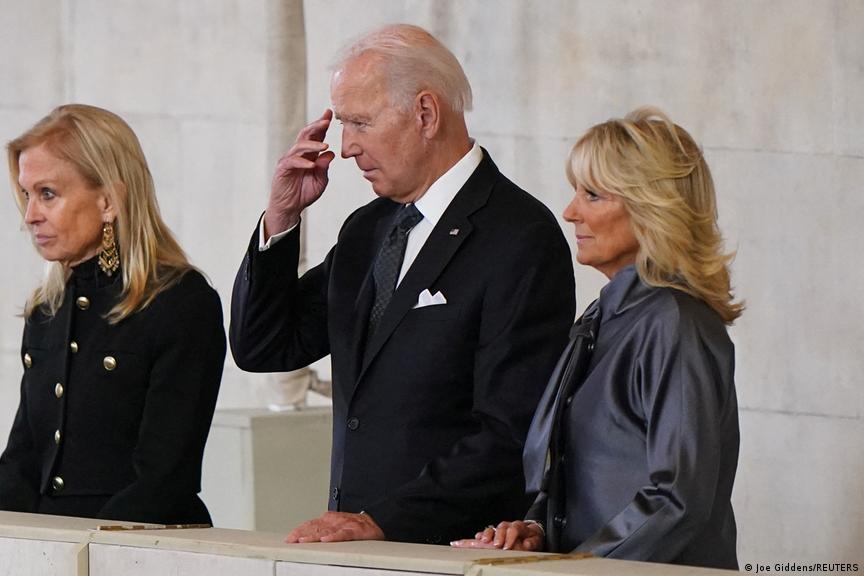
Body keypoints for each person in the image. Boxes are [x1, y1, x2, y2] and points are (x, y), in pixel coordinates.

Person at [230, 24, 575, 544]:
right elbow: (265, 345)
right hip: (356, 547)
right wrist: (281, 218)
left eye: (361, 123)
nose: (345, 148)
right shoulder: (368, 229)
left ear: (426, 114)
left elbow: (508, 432)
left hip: (453, 550)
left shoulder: (520, 235)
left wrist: (383, 521)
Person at [451, 107, 743, 569]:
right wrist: (537, 530)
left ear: (652, 207)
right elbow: (586, 480)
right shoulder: (603, 316)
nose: (569, 212)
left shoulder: (674, 322)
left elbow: (677, 499)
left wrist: (576, 564)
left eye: (592, 195)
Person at [0, 104, 225, 525]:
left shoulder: (179, 302)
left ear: (107, 201)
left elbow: (166, 476)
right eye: (27, 195)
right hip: (52, 547)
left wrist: (90, 551)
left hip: (142, 546)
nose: (30, 216)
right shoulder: (47, 308)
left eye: (48, 194)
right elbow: (21, 458)